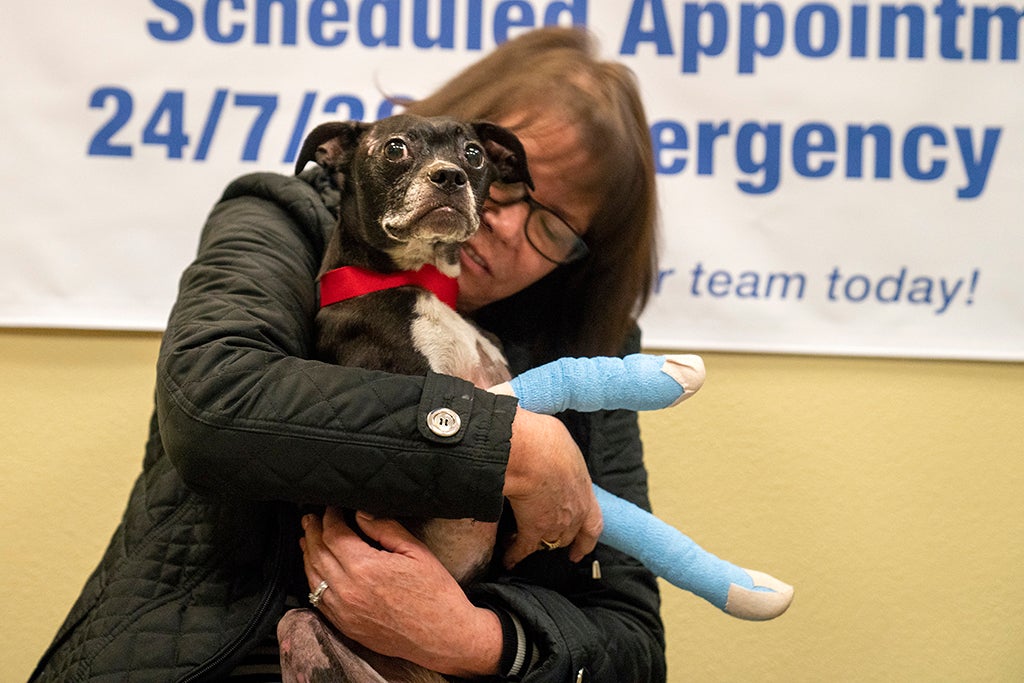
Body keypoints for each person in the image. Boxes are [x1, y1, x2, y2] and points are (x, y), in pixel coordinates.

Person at [31, 26, 664, 683]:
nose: (499, 219)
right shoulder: (288, 217)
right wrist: (508, 444)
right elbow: (213, 406)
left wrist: (478, 637)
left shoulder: (590, 345)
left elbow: (633, 642)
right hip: (218, 655)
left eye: (551, 225)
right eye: (501, 182)